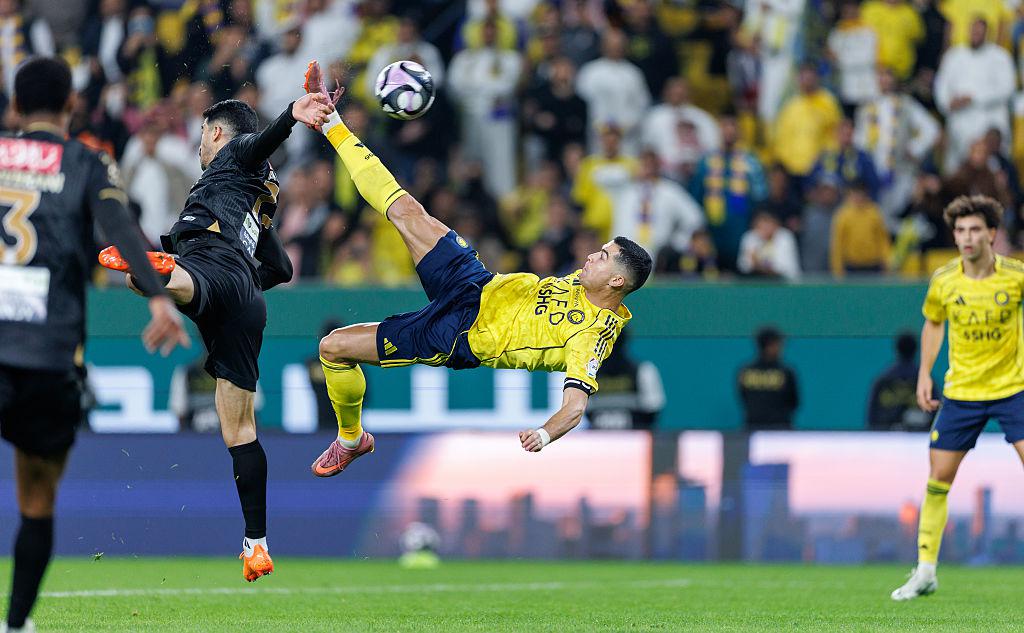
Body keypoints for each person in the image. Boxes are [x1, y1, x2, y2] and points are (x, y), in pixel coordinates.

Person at [301, 61, 652, 475]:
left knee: (333, 347)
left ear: (617, 280)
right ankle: (331, 121)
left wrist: (544, 433)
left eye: (604, 256)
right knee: (406, 209)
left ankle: (350, 439)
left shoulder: (592, 335)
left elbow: (575, 407)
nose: (592, 256)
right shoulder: (585, 281)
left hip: (457, 333)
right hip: (476, 283)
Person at [102, 86, 333, 582]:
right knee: (240, 431)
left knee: (168, 280)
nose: (201, 147)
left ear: (217, 133)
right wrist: (243, 283)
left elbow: (257, 143)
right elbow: (282, 267)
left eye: (204, 136)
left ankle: (164, 273)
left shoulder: (235, 155)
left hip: (211, 264)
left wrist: (292, 115)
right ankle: (256, 543)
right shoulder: (259, 198)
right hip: (248, 301)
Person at [0, 57, 189, 633]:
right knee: (36, 497)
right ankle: (15, 624)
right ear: (71, 106)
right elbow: (119, 225)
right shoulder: (86, 161)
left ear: (14, 107)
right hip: (48, 353)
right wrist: (157, 298)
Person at [891, 195, 1024, 601]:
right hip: (962, 394)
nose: (967, 237)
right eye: (961, 230)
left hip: (1013, 389)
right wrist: (924, 374)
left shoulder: (1016, 276)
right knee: (938, 480)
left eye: (975, 230)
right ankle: (926, 571)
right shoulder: (944, 280)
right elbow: (933, 323)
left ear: (992, 234)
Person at [867, 332, 935, 431]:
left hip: (886, 439)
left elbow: (872, 419)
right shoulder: (926, 382)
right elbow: (936, 418)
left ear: (897, 349)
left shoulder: (882, 380)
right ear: (916, 349)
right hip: (919, 439)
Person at [737, 327, 799, 430]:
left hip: (753, 429)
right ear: (768, 346)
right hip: (779, 430)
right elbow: (794, 402)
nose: (781, 348)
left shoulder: (745, 371)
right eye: (778, 344)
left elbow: (743, 398)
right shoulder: (786, 372)